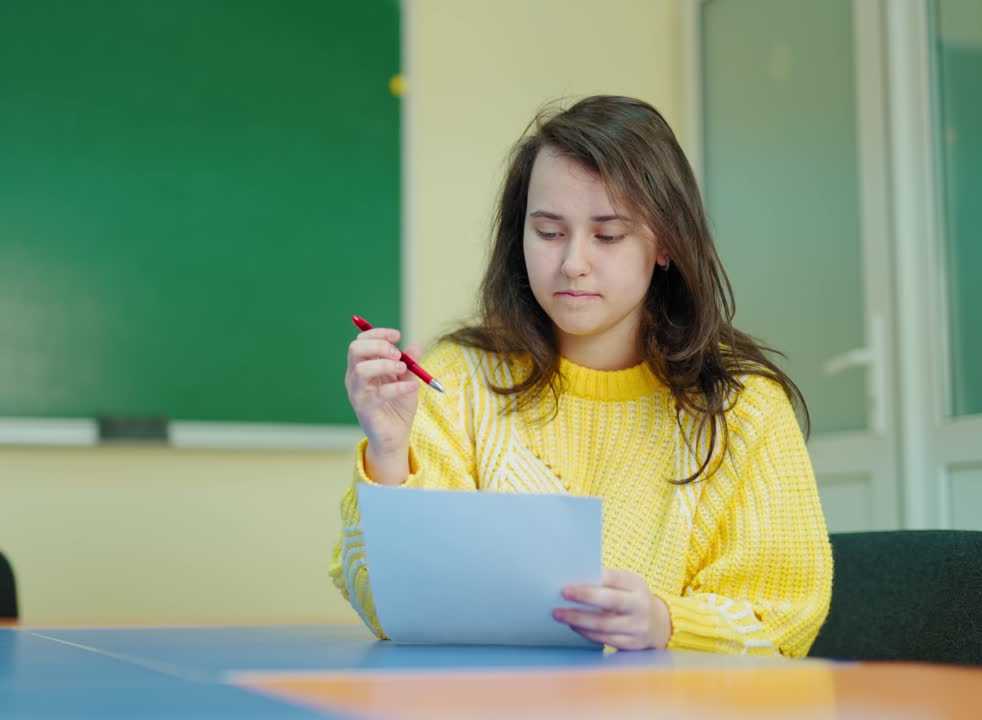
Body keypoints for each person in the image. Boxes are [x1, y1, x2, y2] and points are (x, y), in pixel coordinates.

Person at [330, 95, 832, 657]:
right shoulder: (458, 378)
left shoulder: (743, 407)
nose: (572, 263)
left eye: (608, 235)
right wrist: (391, 453)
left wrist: (666, 624)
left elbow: (787, 619)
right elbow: (386, 605)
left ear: (665, 242)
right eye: (548, 232)